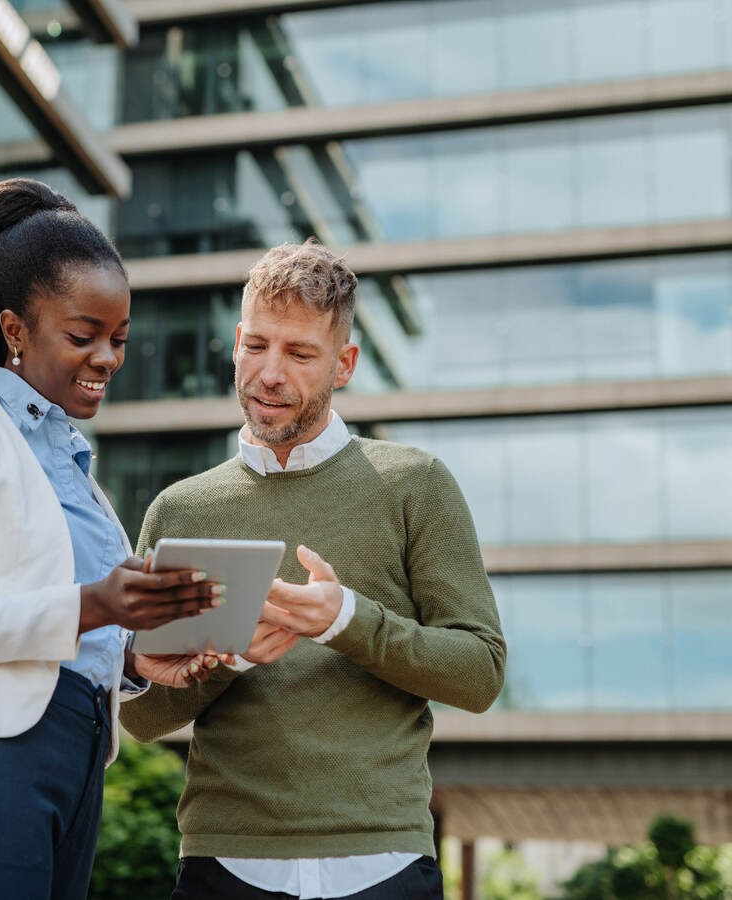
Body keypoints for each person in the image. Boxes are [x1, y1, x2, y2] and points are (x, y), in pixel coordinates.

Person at [0, 178, 232, 900]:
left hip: (71, 774)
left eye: (119, 339)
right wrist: (96, 604)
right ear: (15, 329)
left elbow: (60, 626)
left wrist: (136, 657)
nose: (107, 358)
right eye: (82, 335)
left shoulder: (76, 471)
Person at [120, 239, 507, 900]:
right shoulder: (179, 510)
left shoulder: (415, 485)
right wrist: (231, 657)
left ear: (344, 363)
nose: (270, 373)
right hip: (222, 864)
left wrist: (348, 621)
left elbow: (479, 674)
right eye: (257, 346)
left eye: (300, 354)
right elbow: (143, 716)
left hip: (382, 861)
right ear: (237, 342)